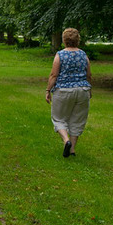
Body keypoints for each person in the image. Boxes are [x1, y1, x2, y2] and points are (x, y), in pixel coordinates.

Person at [45, 28, 92, 157]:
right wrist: (90, 90)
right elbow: (89, 75)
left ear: (64, 40)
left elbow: (54, 75)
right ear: (78, 40)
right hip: (82, 90)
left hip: (64, 91)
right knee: (77, 120)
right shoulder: (83, 55)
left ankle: (66, 141)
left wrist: (48, 90)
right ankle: (72, 150)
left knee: (59, 118)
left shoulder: (60, 55)